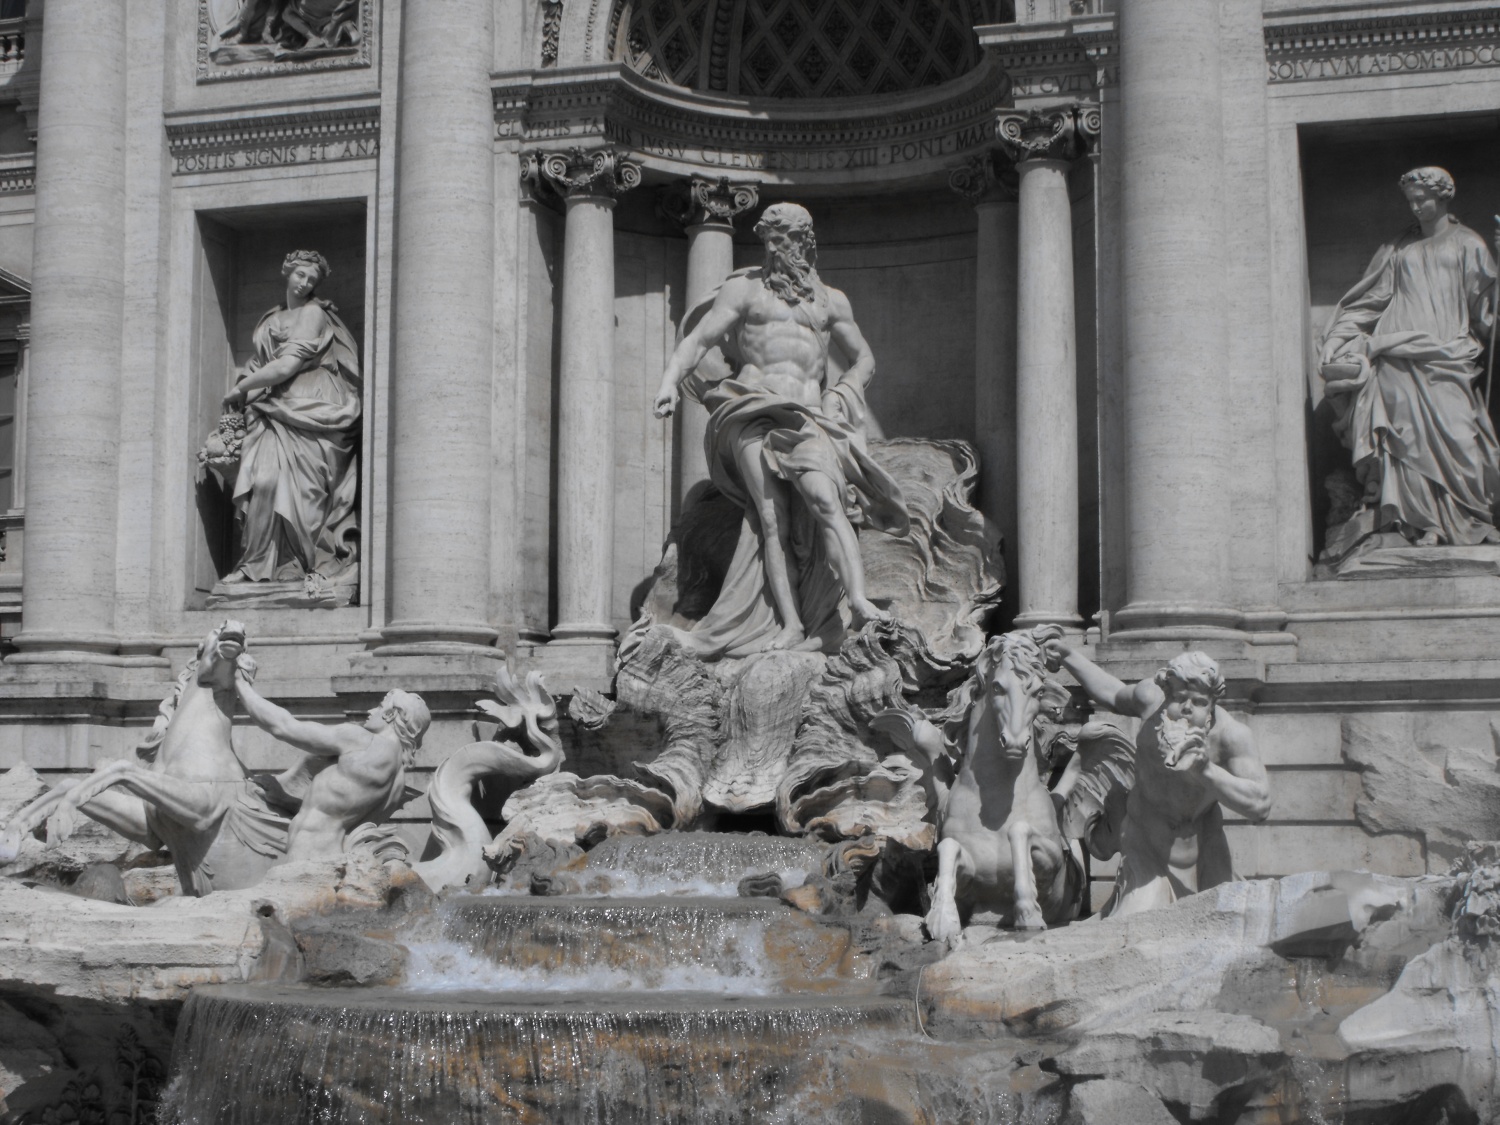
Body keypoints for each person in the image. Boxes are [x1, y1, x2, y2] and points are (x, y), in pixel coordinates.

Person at [651, 203, 909, 658]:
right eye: (768, 239)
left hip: (808, 415)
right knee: (772, 520)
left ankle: (858, 601)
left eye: (782, 238)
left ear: (804, 241)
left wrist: (842, 392)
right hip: (751, 410)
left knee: (827, 500)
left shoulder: (831, 301)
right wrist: (670, 382)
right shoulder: (745, 290)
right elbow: (701, 340)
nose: (773, 247)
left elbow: (864, 357)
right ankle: (790, 624)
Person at [1320, 166, 1500, 551]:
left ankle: (1469, 518)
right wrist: (1337, 338)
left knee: (1460, 435)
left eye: (1423, 198)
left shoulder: (1470, 244)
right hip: (1397, 353)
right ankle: (1421, 524)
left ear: (1444, 196)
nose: (1417, 206)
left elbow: (1487, 314)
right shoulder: (1397, 249)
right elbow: (1369, 302)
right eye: (1411, 201)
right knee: (1405, 439)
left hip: (1448, 351)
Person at [1042, 640, 1272, 917]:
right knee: (1138, 920)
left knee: (1220, 924)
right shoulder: (1151, 699)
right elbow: (1112, 693)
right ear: (1166, 693)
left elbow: (1260, 804)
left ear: (1213, 703)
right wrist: (1069, 656)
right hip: (1144, 843)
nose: (1187, 708)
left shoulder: (1230, 737)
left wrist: (1206, 770)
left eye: (1199, 702)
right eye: (1179, 698)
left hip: (1203, 848)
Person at [222, 250, 361, 587]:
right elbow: (264, 364)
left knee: (305, 492)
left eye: (312, 280)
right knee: (265, 481)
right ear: (287, 271)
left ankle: (295, 566)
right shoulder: (272, 318)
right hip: (275, 406)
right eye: (300, 275)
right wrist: (252, 393)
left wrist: (240, 389)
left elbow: (285, 366)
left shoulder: (314, 313)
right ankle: (255, 564)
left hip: (312, 406)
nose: (305, 283)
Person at [234, 670, 430, 861]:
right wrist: (285, 801)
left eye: (379, 707)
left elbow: (283, 726)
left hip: (307, 859)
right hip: (335, 861)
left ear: (391, 714)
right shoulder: (398, 781)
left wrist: (241, 685)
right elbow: (337, 814)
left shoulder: (362, 740)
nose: (370, 712)